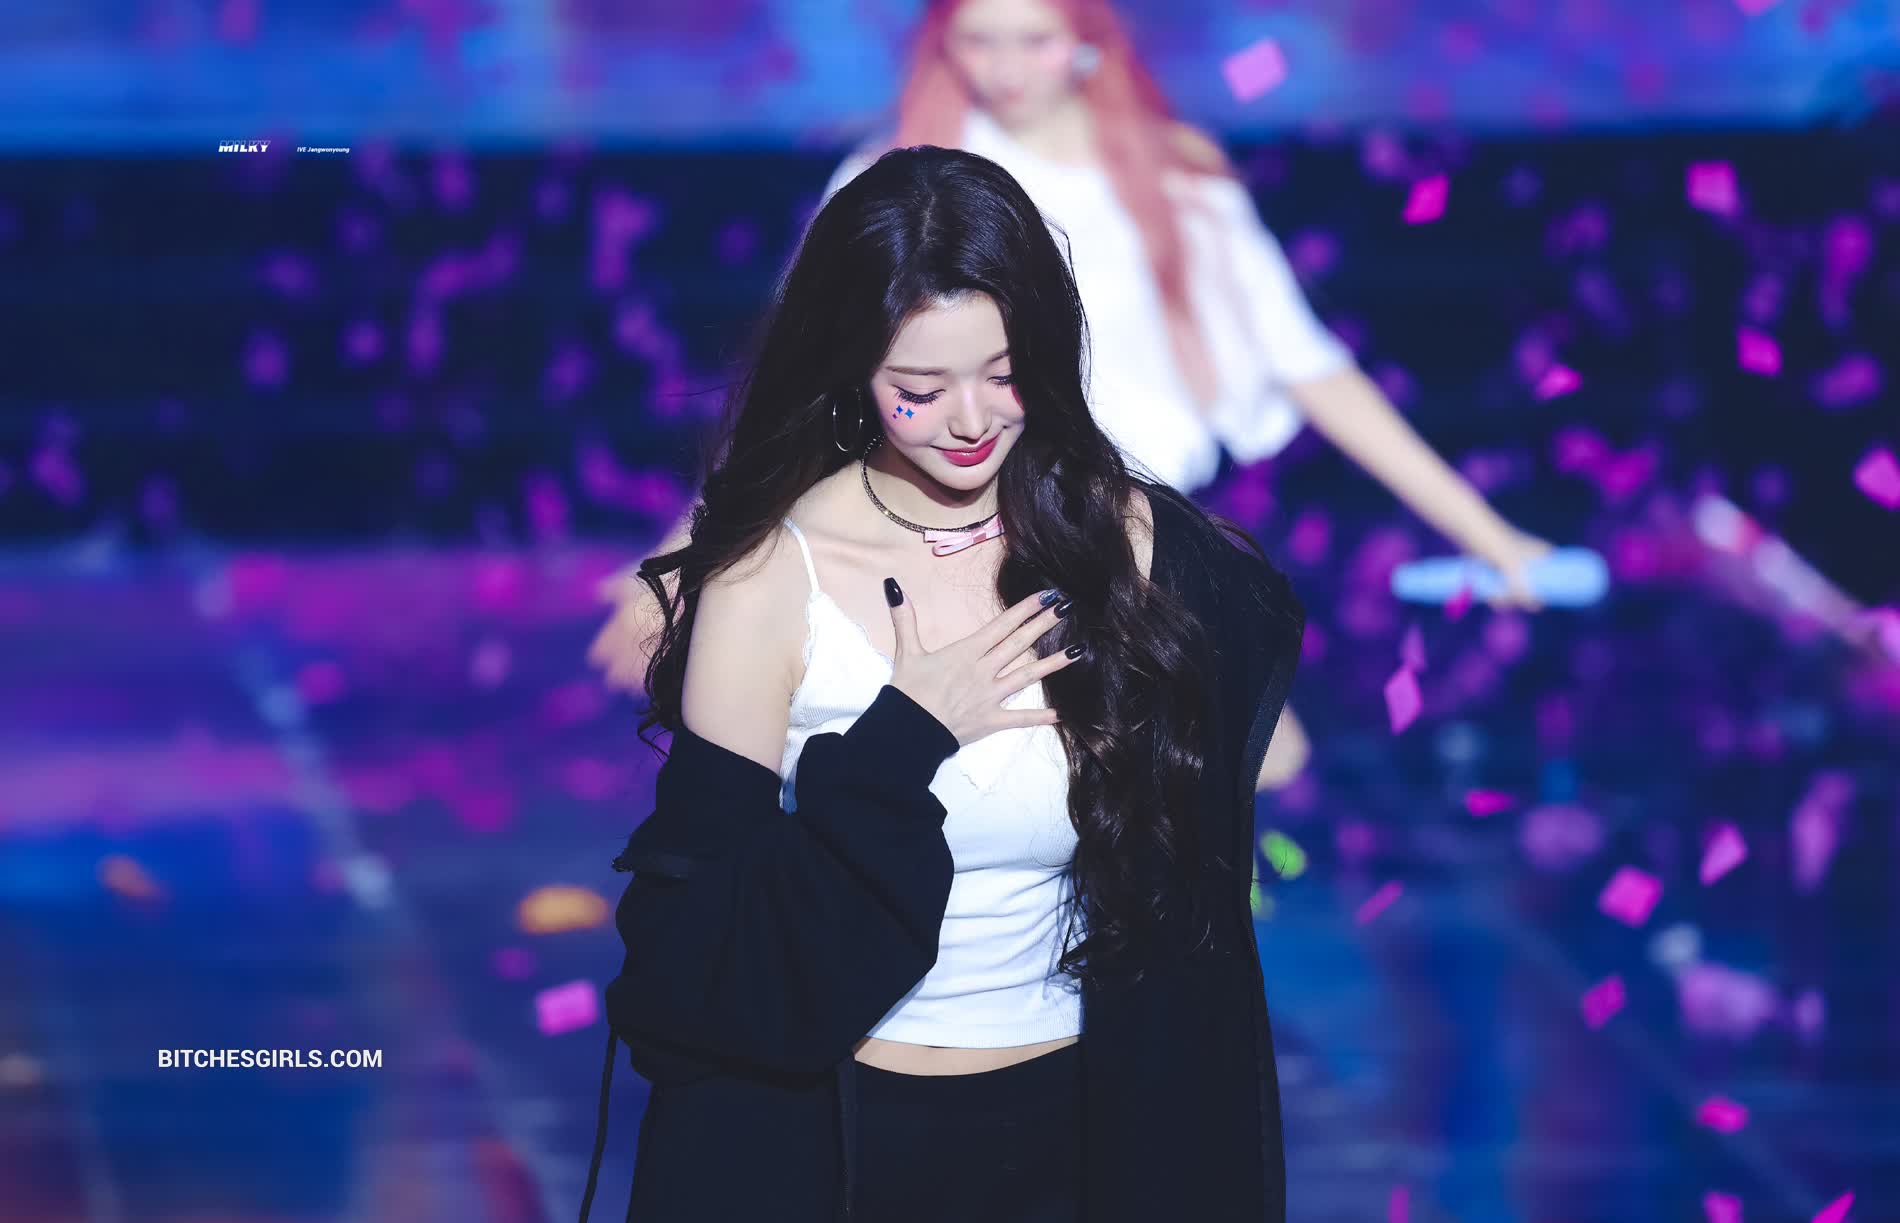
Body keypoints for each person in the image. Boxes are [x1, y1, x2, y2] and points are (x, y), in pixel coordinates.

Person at [574, 145, 1305, 1223]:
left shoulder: (1128, 545)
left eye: (1003, 375)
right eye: (917, 391)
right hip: (841, 1151)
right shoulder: (773, 578)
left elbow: (1194, 878)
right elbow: (690, 955)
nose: (969, 421)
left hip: (1082, 1141)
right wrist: (900, 739)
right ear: (853, 370)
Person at [588, 0, 1554, 789]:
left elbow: (1314, 372)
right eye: (981, 39)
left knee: (1238, 758)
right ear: (943, 40)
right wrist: (688, 550)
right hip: (947, 523)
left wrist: (1489, 535)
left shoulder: (1175, 182)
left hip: (1120, 530)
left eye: (1035, 38)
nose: (1007, 67)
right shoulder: (896, 179)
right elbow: (797, 384)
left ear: (1090, 38)